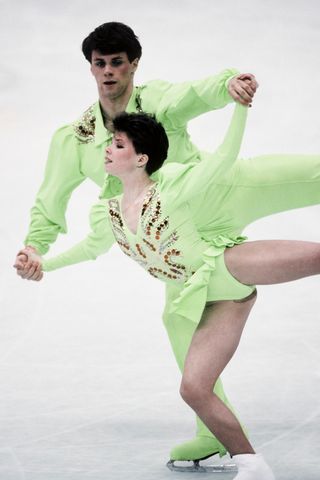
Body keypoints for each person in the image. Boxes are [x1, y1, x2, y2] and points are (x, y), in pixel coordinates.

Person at [20, 105, 320, 480]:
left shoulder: (173, 186)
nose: (107, 150)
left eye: (118, 144)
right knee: (194, 388)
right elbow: (90, 249)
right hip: (216, 301)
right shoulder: (107, 212)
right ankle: (252, 465)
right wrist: (43, 264)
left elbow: (224, 159)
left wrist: (241, 109)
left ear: (141, 158)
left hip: (229, 265)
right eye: (110, 143)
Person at [14, 21, 260, 467]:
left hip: (219, 192)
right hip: (177, 240)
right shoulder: (77, 138)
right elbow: (50, 199)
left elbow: (195, 93)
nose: (108, 71)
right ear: (91, 67)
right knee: (179, 319)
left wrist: (230, 85)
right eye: (100, 63)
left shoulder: (158, 101)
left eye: (116, 62)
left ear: (133, 65)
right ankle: (211, 431)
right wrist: (35, 246)